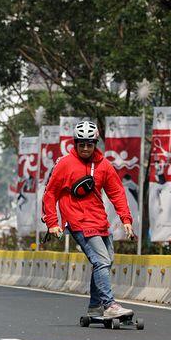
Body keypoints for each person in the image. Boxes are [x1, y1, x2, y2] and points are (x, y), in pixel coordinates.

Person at [42, 120, 135, 320]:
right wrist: (52, 223)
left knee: (106, 261)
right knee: (101, 260)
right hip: (77, 221)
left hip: (100, 221)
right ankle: (109, 304)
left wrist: (126, 219)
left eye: (89, 144)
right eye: (81, 144)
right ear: (75, 143)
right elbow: (50, 194)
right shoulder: (65, 164)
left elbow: (117, 193)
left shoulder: (104, 165)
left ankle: (95, 306)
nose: (85, 148)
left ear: (95, 144)